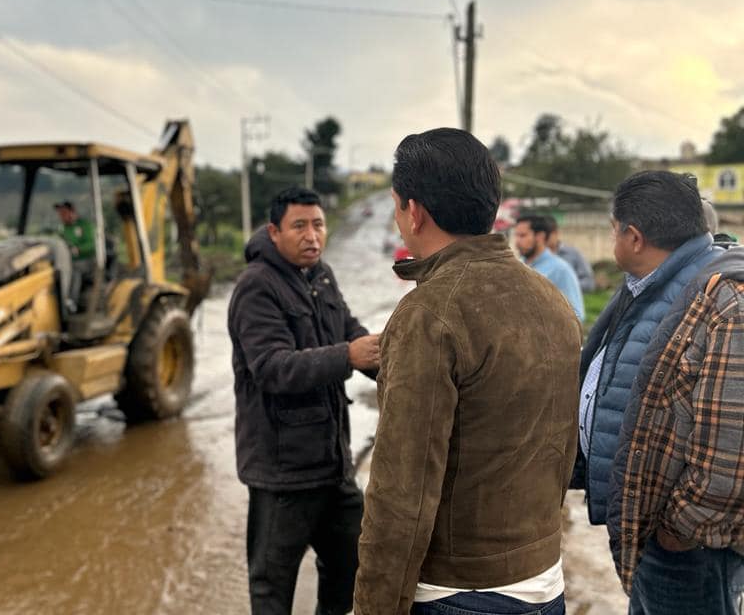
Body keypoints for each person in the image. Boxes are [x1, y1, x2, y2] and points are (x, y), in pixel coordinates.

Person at [355, 128, 582, 615]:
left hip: (457, 594)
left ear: (413, 211)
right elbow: (560, 450)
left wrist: (373, 606)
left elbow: (401, 495)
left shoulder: (429, 315)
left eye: (397, 207)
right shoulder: (553, 301)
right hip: (544, 583)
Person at [228, 186, 380, 615]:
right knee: (272, 585)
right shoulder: (256, 288)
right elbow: (273, 368)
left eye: (318, 224)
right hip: (283, 474)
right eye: (299, 226)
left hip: (332, 464)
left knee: (354, 561)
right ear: (274, 232)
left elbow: (350, 330)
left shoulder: (321, 275)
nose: (312, 235)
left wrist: (388, 364)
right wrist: (348, 356)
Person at [570, 172, 722, 598]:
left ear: (633, 237)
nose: (612, 238)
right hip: (647, 523)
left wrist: (679, 528)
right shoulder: (648, 286)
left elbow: (729, 435)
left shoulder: (708, 296)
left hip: (680, 545)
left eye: (613, 230)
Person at [607, 245, 744, 614]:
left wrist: (679, 529)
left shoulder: (736, 306)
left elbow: (727, 462)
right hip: (687, 542)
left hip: (696, 550)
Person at [513, 214, 585, 320]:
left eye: (523, 236)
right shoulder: (517, 266)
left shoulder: (560, 269)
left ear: (540, 236)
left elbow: (577, 315)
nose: (517, 242)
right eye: (516, 236)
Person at [54, 201, 96, 306]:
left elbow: (91, 244)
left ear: (72, 212)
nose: (61, 217)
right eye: (60, 214)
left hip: (87, 260)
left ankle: (71, 302)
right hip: (68, 260)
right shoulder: (63, 229)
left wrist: (78, 249)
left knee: (74, 269)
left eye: (64, 213)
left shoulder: (84, 225)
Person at [544, 216, 596, 293]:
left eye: (546, 235)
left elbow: (589, 283)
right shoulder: (534, 258)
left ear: (556, 233)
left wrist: (565, 287)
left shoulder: (573, 254)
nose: (543, 238)